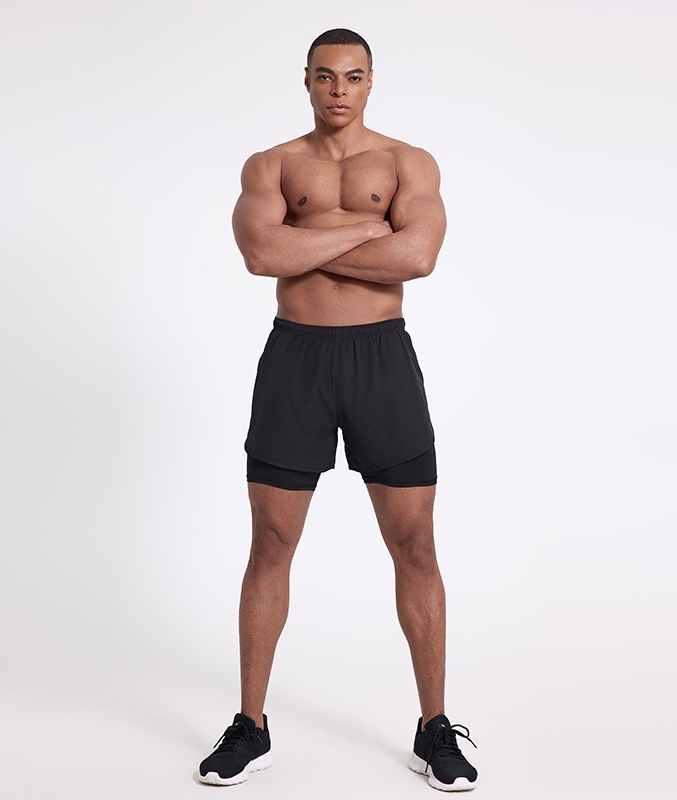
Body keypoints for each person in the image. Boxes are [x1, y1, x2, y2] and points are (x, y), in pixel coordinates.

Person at [198, 28, 478, 792]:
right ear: (306, 81)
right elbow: (261, 256)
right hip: (297, 360)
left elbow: (418, 257)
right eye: (325, 76)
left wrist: (307, 238)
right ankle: (251, 725)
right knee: (271, 542)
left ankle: (434, 726)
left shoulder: (410, 163)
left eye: (353, 77)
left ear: (371, 82)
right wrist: (367, 228)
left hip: (382, 359)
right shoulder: (270, 165)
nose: (339, 91)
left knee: (415, 543)